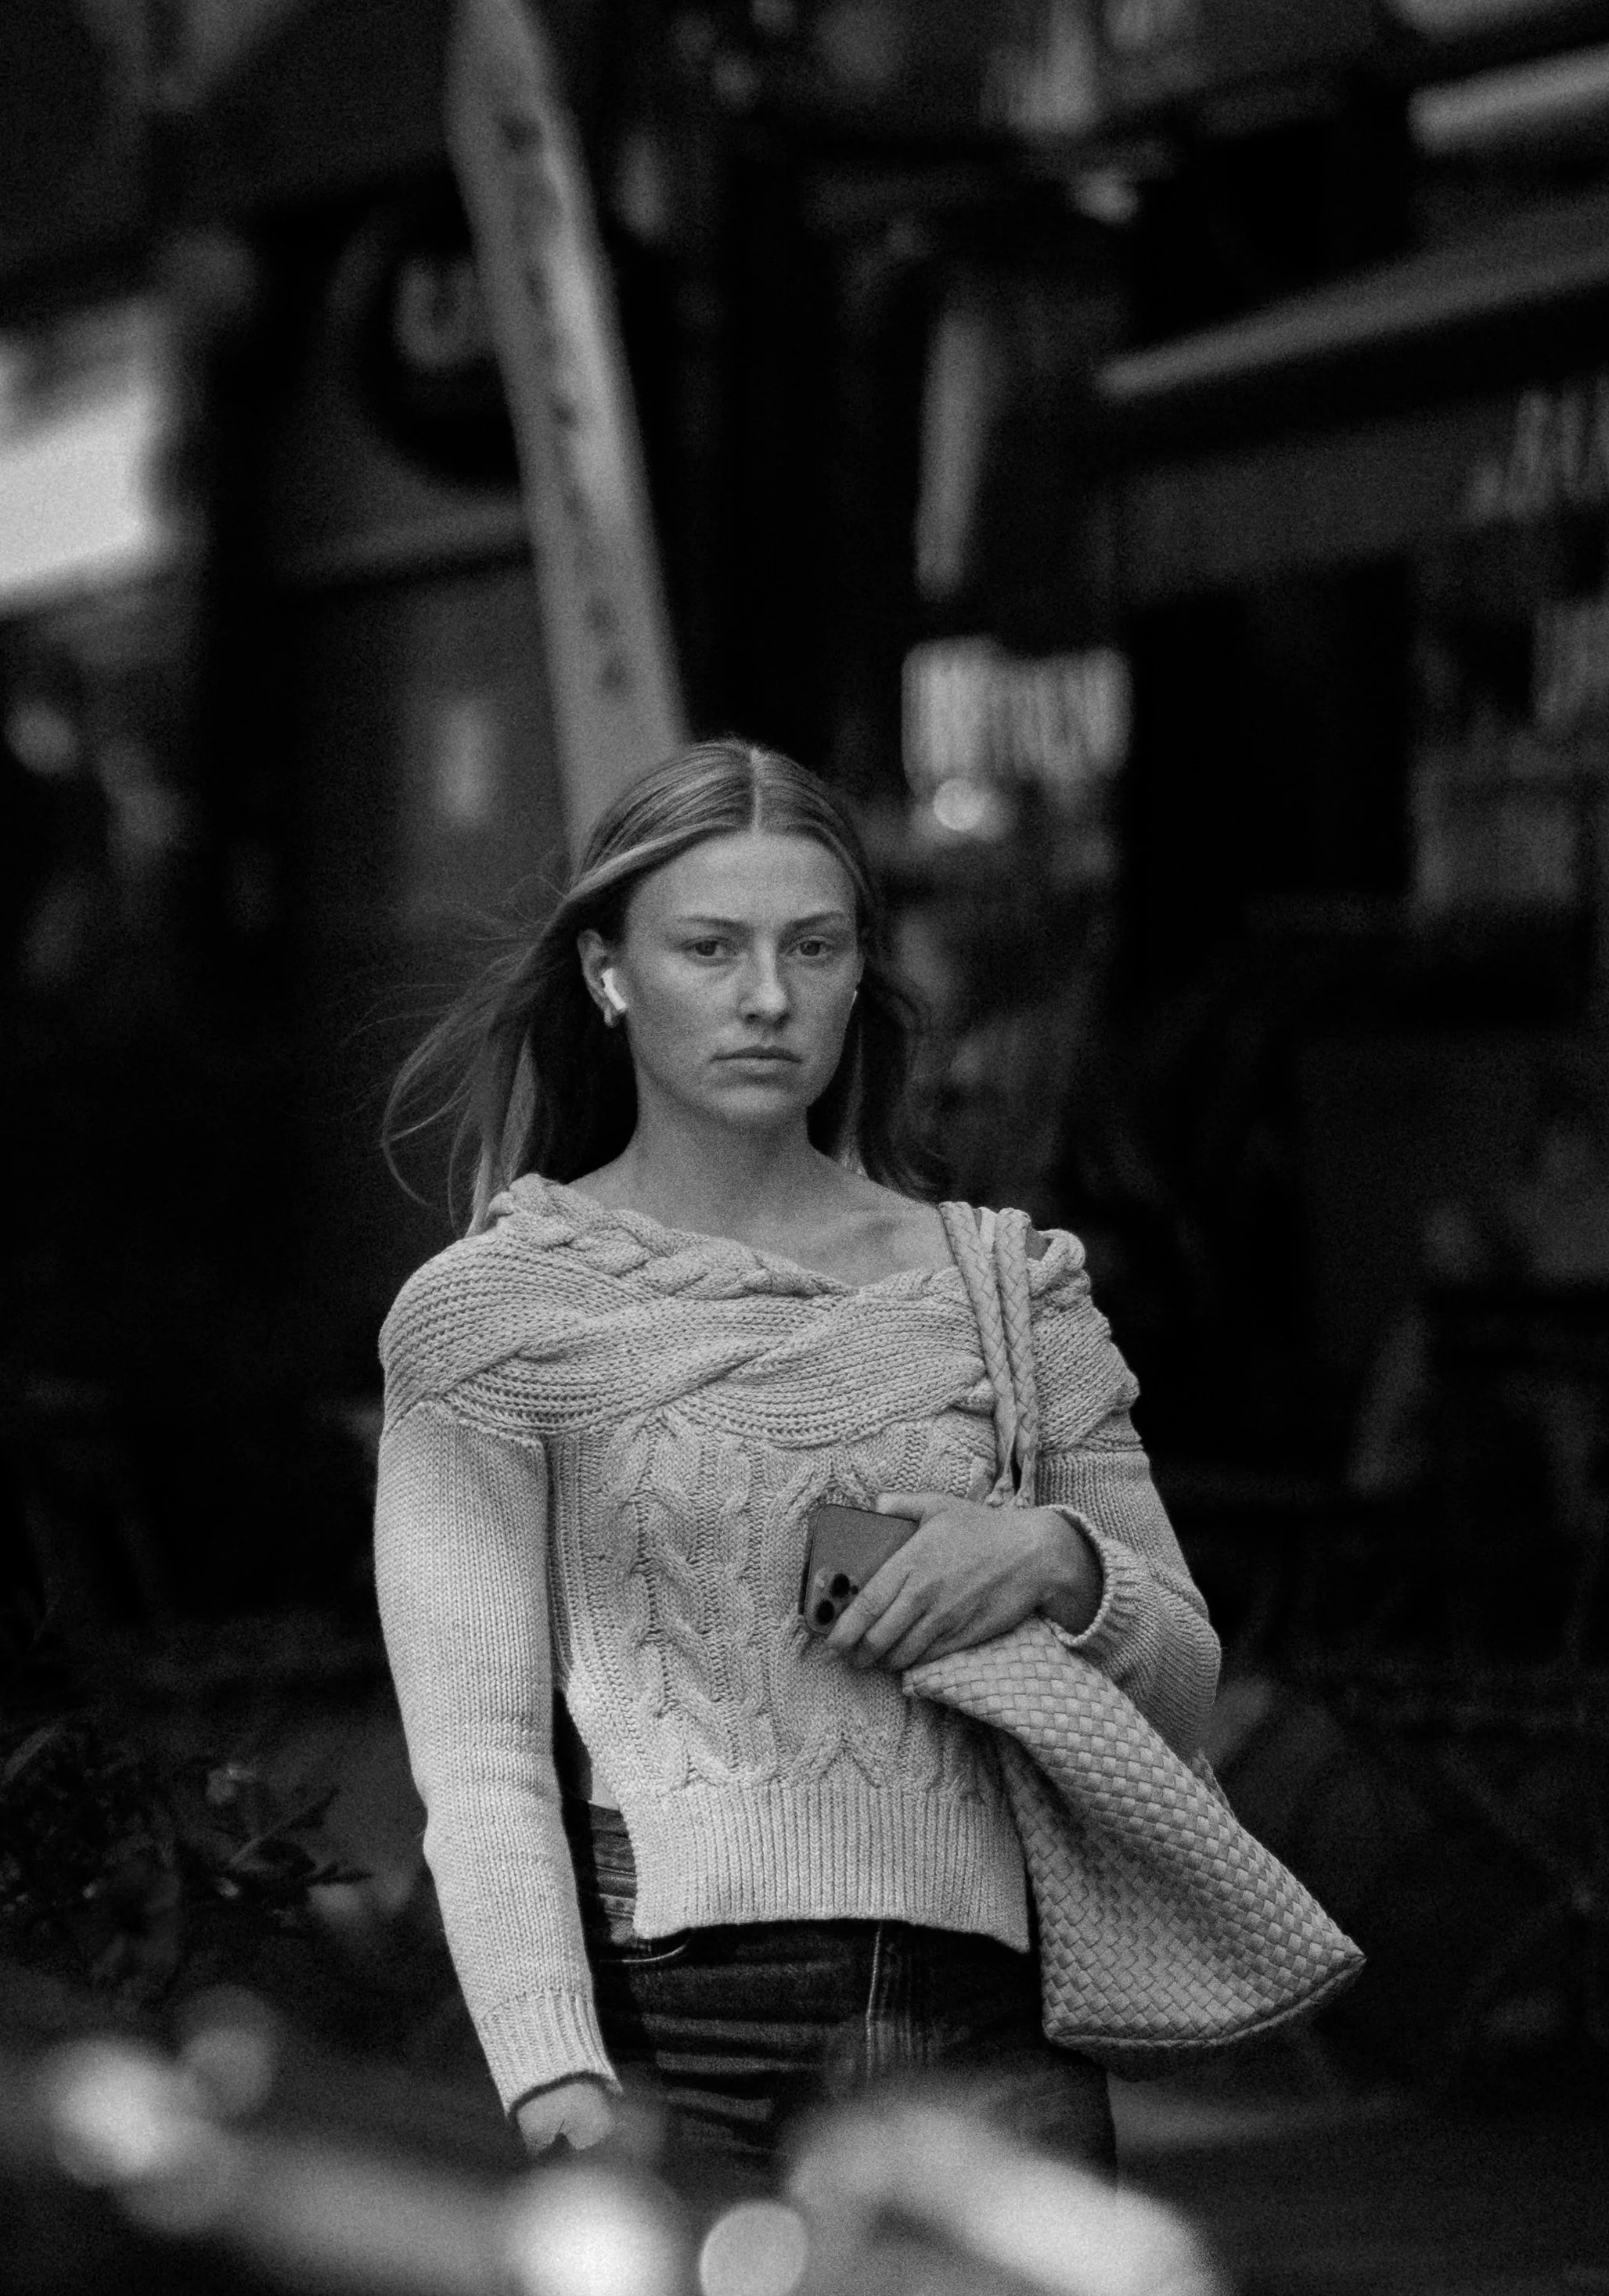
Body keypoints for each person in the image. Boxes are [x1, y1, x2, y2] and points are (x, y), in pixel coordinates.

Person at [374, 738, 1219, 2190]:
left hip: (988, 2025)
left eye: (811, 947)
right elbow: (481, 1755)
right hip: (665, 2027)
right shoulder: (494, 1314)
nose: (766, 995)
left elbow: (1185, 1675)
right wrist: (552, 2071)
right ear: (607, 973)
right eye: (710, 947)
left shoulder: (1008, 1291)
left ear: (856, 972)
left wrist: (1053, 1560)